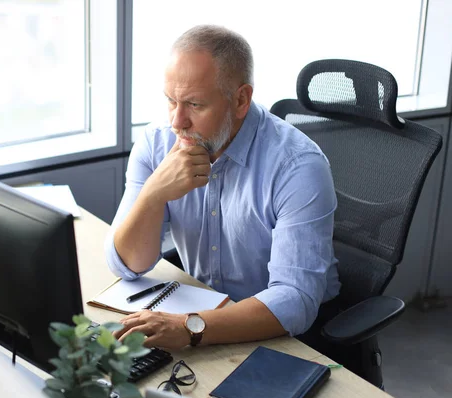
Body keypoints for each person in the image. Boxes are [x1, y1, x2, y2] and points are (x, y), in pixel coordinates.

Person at [105, 25, 340, 350]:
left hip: (279, 333)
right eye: (171, 101)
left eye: (195, 105)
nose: (177, 121)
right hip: (200, 314)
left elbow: (295, 299)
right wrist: (154, 193)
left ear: (241, 99)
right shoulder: (156, 143)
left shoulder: (298, 166)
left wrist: (189, 327)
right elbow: (125, 265)